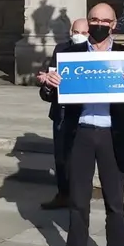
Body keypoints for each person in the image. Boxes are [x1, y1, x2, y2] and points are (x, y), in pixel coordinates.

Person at [40, 3, 124, 246]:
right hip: (80, 134)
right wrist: (48, 84)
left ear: (114, 24)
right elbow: (49, 95)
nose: (99, 24)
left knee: (115, 204)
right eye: (94, 19)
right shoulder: (69, 54)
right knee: (78, 203)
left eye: (105, 20)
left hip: (112, 136)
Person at [35, 18, 90, 209]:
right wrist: (47, 83)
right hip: (62, 113)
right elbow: (48, 86)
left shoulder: (95, 53)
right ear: (70, 31)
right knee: (61, 157)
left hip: (86, 114)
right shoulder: (61, 50)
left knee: (82, 159)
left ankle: (80, 198)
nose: (79, 36)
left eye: (84, 33)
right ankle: (63, 194)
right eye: (76, 31)